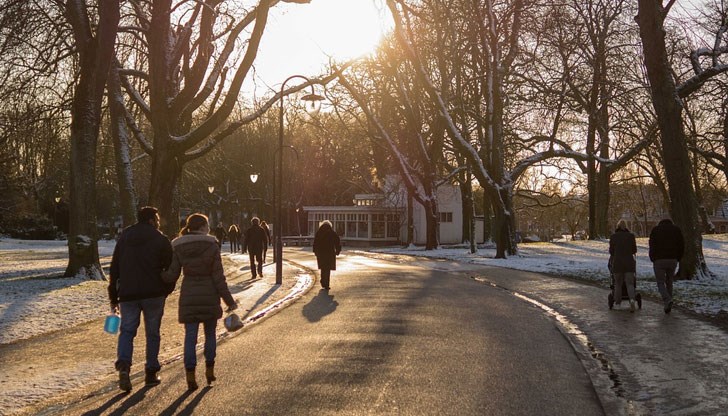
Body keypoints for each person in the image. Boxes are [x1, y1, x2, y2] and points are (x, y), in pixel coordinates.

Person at [163, 213, 238, 391]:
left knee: (190, 336)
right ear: (204, 227)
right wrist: (229, 301)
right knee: (210, 334)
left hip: (189, 294)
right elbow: (219, 277)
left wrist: (158, 275)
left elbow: (172, 274)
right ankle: (209, 370)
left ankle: (190, 374)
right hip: (210, 295)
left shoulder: (179, 247)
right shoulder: (212, 246)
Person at [108, 206, 174, 392]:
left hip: (128, 293)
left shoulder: (125, 238)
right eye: (158, 218)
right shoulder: (160, 239)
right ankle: (151, 372)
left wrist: (113, 295)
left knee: (127, 331)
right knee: (152, 333)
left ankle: (124, 366)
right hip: (153, 293)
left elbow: (115, 268)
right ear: (152, 220)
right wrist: (166, 289)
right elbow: (170, 268)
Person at [649, 218, 684, 314]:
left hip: (659, 260)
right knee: (669, 281)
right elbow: (681, 245)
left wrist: (652, 257)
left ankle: (667, 300)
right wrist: (678, 257)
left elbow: (652, 245)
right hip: (672, 259)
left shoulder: (655, 230)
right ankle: (668, 303)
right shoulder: (676, 230)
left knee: (660, 282)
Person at [609, 220, 637, 312]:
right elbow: (634, 250)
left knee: (618, 284)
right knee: (630, 283)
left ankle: (618, 303)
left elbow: (611, 251)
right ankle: (632, 299)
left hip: (618, 263)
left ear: (617, 227)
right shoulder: (631, 236)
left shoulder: (613, 237)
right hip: (629, 262)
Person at [313, 220, 341, 290]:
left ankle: (323, 280)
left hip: (321, 253)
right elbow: (337, 241)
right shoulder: (332, 233)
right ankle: (327, 284)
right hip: (330, 253)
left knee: (323, 268)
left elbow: (315, 243)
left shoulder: (319, 233)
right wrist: (337, 251)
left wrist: (316, 252)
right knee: (328, 269)